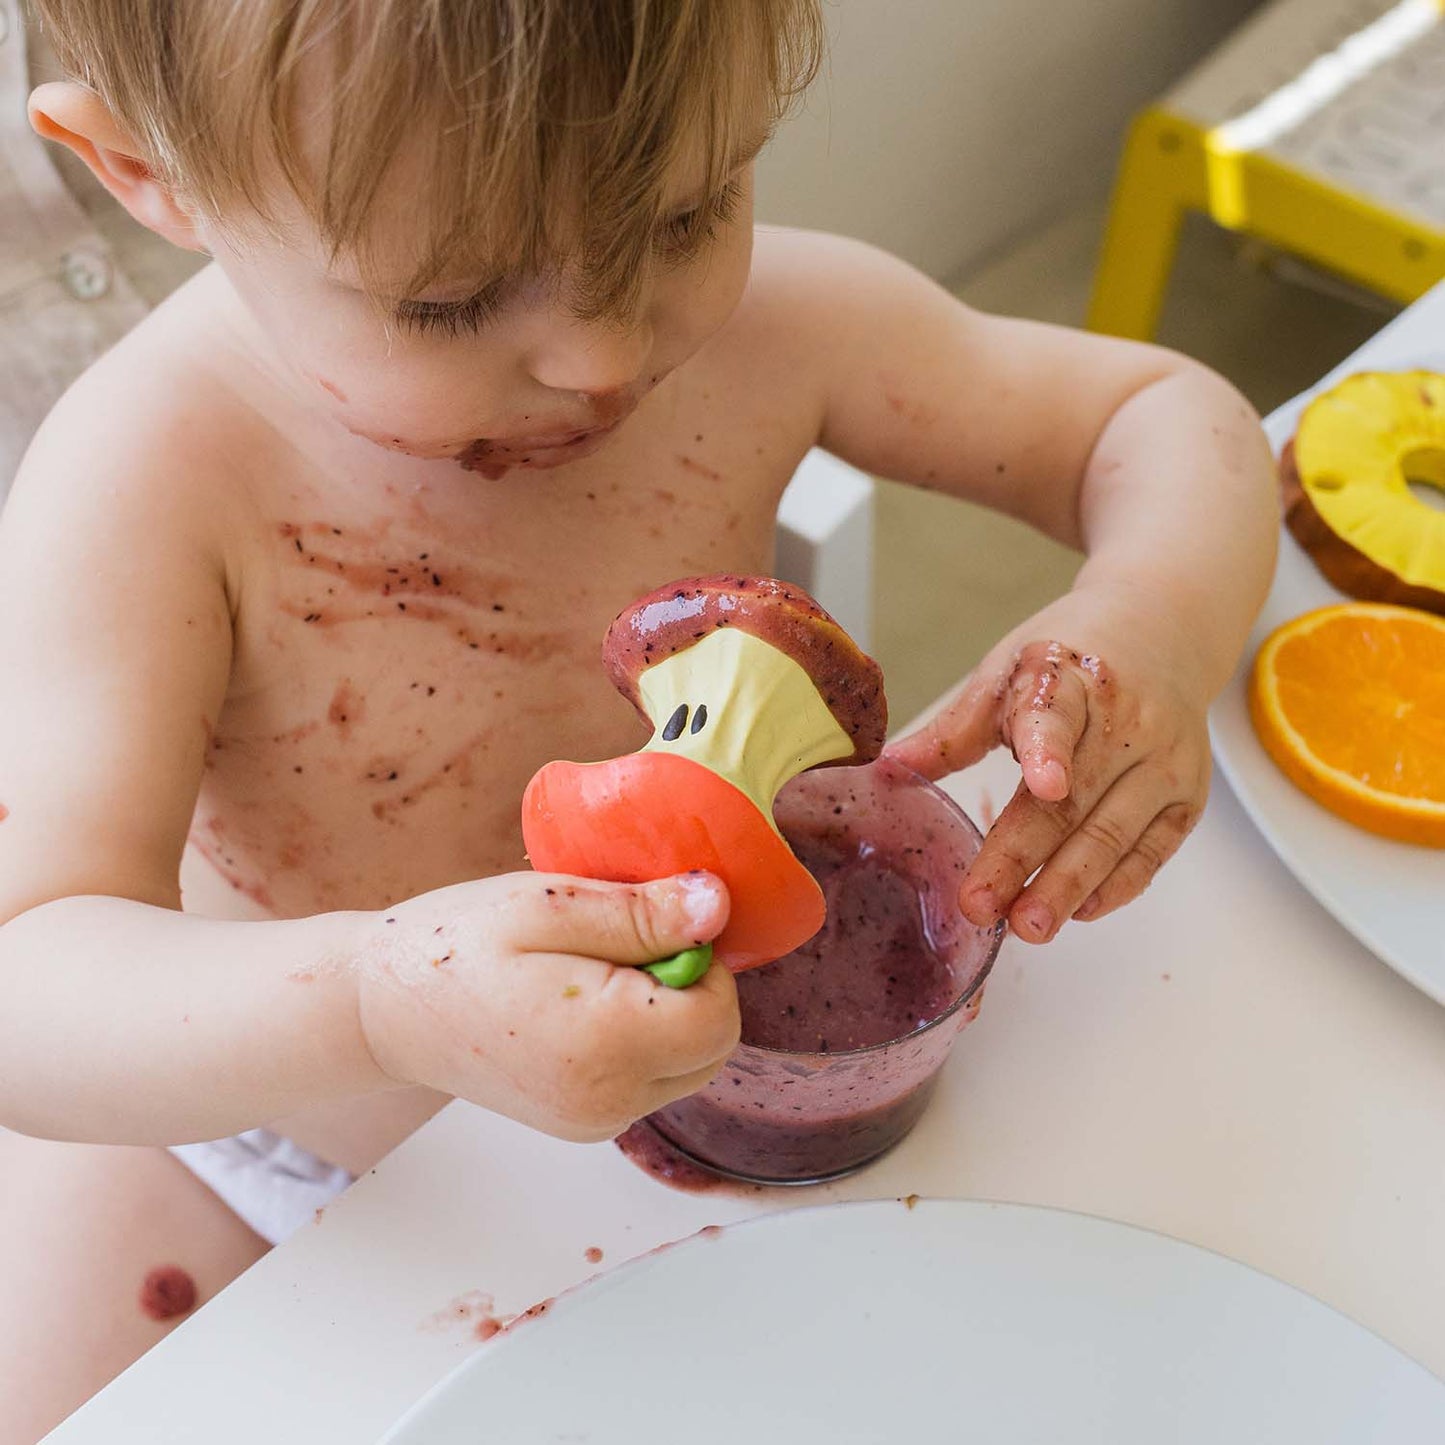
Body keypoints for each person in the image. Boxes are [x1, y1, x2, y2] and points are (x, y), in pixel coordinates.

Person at [0, 0, 1277, 1433]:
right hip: (288, 1137)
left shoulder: (787, 328)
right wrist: (377, 996)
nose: (604, 355)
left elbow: (1166, 418)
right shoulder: (146, 486)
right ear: (145, 175)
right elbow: (28, 975)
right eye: (449, 300)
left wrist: (1147, 619)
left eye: (684, 215)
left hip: (745, 1104)